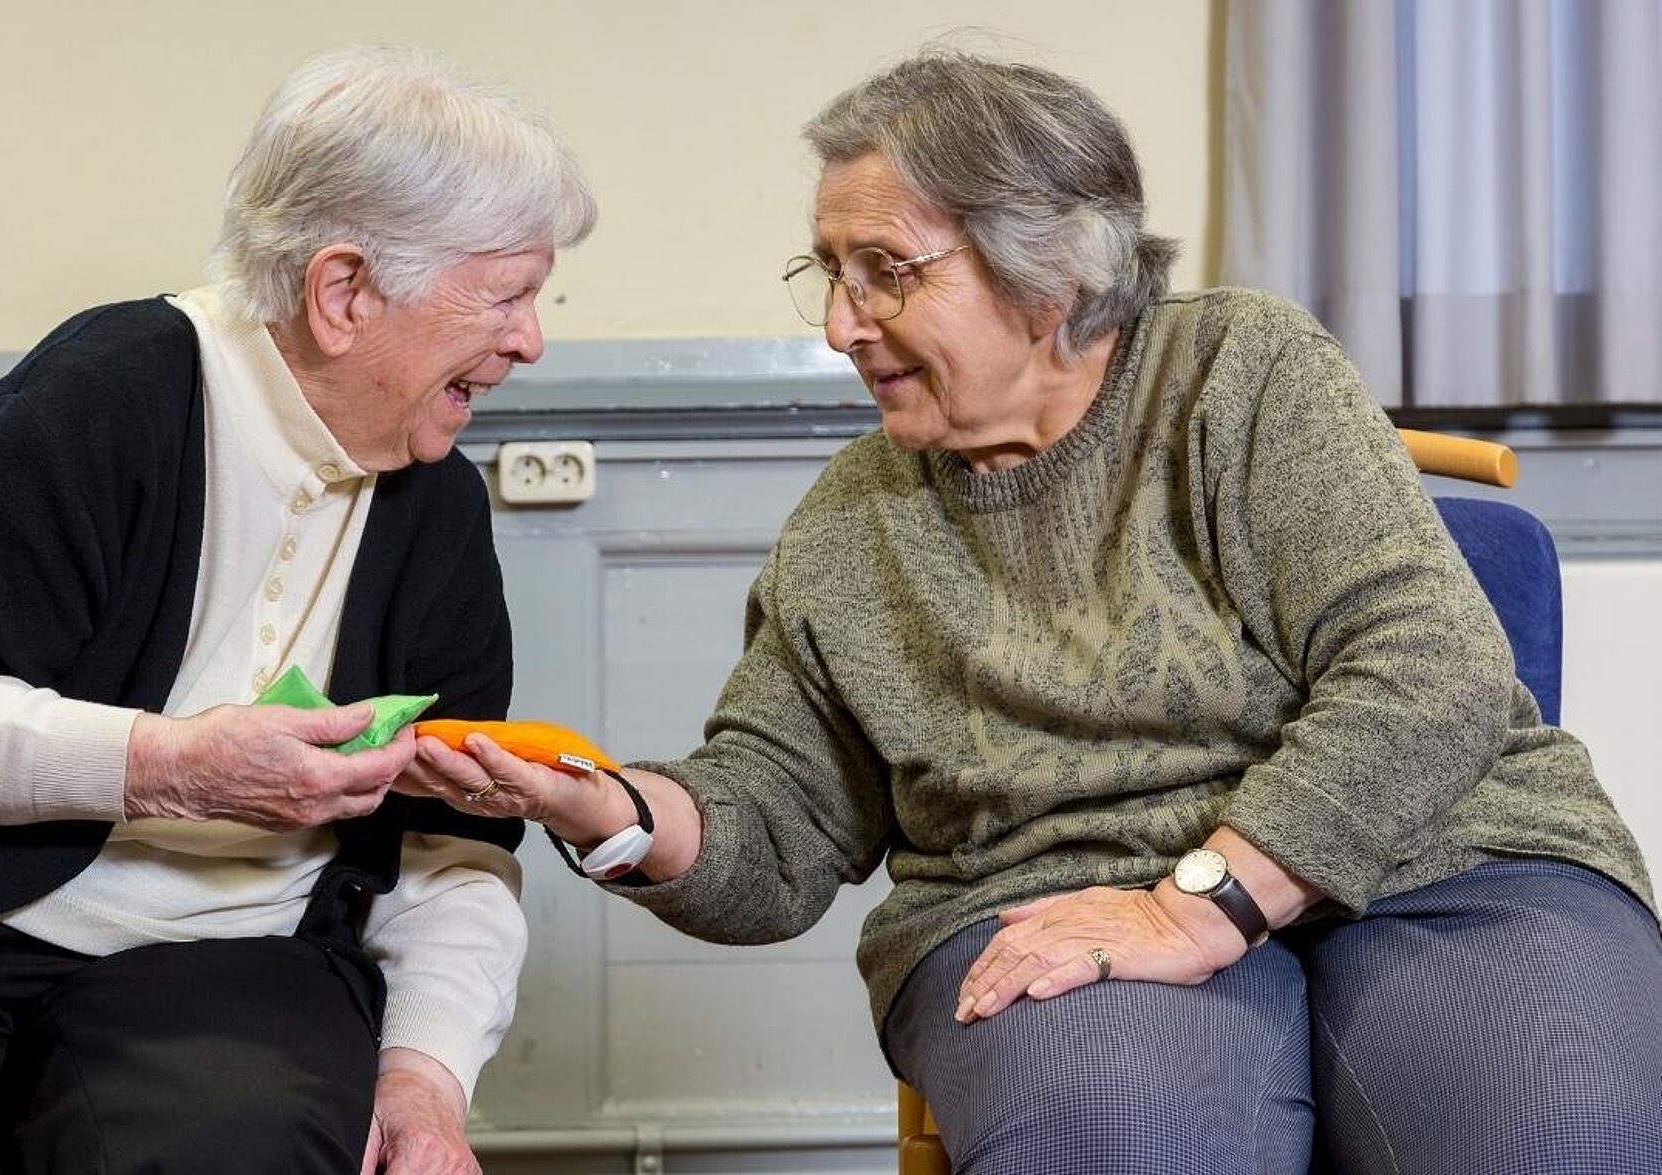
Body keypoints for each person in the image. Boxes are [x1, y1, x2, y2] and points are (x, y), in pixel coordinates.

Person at [405, 49, 1662, 1174]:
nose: (842, 324)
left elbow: (1424, 659)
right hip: (1058, 897)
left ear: (1051, 271)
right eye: (829, 273)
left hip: (1437, 860)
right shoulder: (852, 528)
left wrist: (1198, 905)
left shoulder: (1241, 372)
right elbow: (776, 829)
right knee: (1114, 1140)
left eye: (885, 271)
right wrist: (615, 809)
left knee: (1563, 1128)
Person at [0, 45, 594, 1174]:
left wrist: (426, 1073)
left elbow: (449, 842)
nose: (529, 338)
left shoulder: (436, 507)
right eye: (508, 293)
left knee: (225, 1145)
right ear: (344, 291)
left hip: (227, 966)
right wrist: (167, 763)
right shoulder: (110, 390)